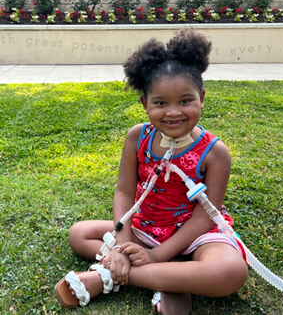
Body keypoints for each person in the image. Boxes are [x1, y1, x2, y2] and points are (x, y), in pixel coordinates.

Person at [55, 28, 248, 314]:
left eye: (185, 101)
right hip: (145, 227)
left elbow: (206, 216)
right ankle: (172, 278)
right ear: (145, 104)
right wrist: (123, 246)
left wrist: (154, 254)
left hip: (194, 235)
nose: (173, 112)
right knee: (79, 234)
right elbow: (123, 191)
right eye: (160, 103)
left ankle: (109, 276)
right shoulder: (137, 137)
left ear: (202, 98)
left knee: (231, 272)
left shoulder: (215, 152)